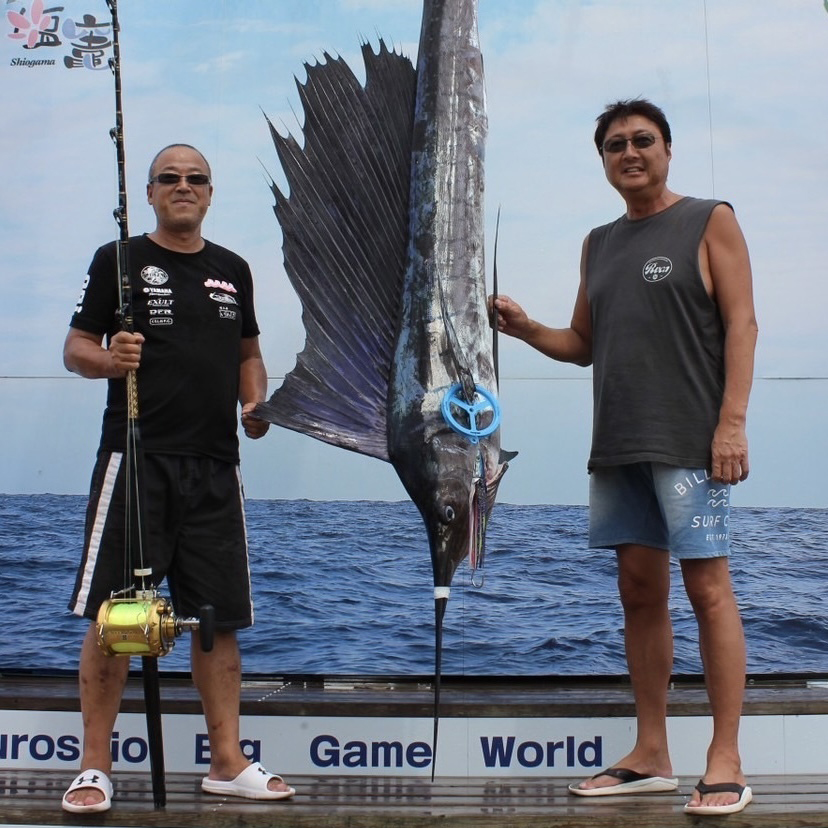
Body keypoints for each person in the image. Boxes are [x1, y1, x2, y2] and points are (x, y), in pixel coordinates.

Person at [492, 99, 758, 816]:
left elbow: (743, 323)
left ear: (667, 150)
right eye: (615, 145)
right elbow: (582, 343)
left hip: (692, 440)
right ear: (604, 159)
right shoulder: (598, 242)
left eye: (643, 140)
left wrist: (732, 425)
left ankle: (726, 757)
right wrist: (525, 327)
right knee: (639, 594)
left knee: (708, 591)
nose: (630, 152)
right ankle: (651, 754)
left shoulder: (710, 219)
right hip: (617, 443)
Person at [61, 144, 294, 812]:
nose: (183, 186)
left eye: (196, 179)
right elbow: (76, 348)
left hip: (216, 466)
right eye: (170, 178)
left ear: (210, 193)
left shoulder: (233, 270)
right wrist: (109, 359)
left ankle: (227, 762)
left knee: (217, 621)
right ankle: (94, 767)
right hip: (136, 461)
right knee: (114, 617)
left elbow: (249, 356)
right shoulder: (118, 260)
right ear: (151, 192)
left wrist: (255, 402)